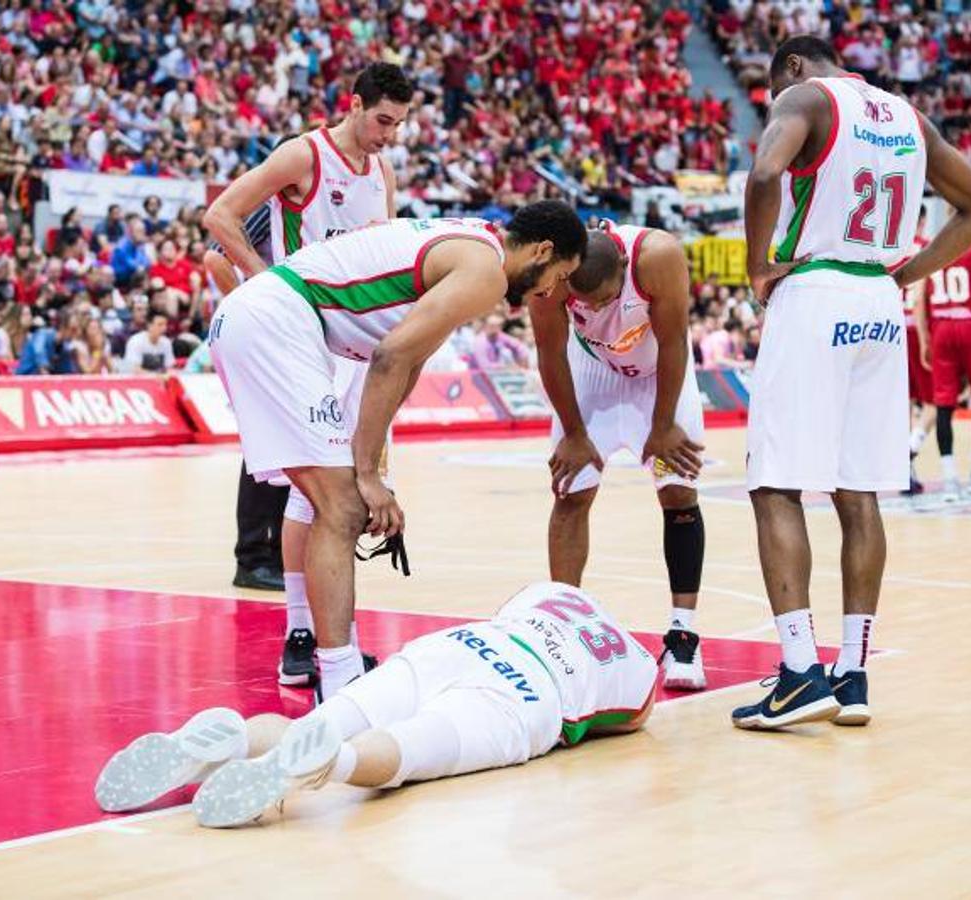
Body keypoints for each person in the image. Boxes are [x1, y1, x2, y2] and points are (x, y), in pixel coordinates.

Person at [207, 202, 586, 699]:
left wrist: (372, 466)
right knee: (341, 505)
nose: (550, 291)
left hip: (259, 320)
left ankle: (318, 656)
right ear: (543, 250)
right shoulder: (486, 272)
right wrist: (367, 473)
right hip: (277, 323)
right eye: (560, 276)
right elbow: (390, 354)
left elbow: (409, 363)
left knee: (325, 503)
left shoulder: (471, 241)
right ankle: (340, 683)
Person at [737, 35, 971, 729]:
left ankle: (799, 672)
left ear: (792, 66)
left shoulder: (805, 96)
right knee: (859, 493)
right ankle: (852, 676)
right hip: (879, 305)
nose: (775, 107)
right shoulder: (910, 118)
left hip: (816, 290)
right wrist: (909, 272)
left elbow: (765, 175)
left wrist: (756, 264)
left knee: (774, 482)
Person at [94, 581, 655, 827]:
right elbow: (630, 718)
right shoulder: (635, 662)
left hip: (455, 647)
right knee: (405, 753)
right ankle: (330, 764)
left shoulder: (546, 593)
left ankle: (236, 738)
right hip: (524, 694)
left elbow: (506, 606)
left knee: (320, 721)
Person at [203, 62, 412, 673]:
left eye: (398, 124)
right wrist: (269, 285)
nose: (387, 134)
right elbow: (220, 217)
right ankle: (303, 637)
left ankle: (321, 639)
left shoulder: (383, 168)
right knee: (316, 496)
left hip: (358, 344)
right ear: (353, 105)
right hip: (306, 340)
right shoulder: (305, 156)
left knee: (330, 498)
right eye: (381, 120)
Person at [529, 223, 708, 690]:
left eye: (605, 300)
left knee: (678, 489)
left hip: (657, 371)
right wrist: (572, 431)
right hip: (592, 371)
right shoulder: (549, 273)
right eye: (585, 302)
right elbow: (550, 352)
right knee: (570, 490)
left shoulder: (658, 255)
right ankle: (563, 627)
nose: (594, 308)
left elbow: (674, 342)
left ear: (626, 270)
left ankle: (683, 633)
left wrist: (664, 424)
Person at [915, 235, 971, 502]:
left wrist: (923, 340)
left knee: (944, 406)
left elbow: (919, 299)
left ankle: (950, 480)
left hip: (941, 328)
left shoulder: (934, 244)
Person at [901, 207, 935, 495]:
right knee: (935, 401)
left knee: (905, 404)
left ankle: (905, 470)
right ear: (922, 221)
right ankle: (912, 448)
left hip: (892, 330)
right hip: (917, 328)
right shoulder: (927, 248)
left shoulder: (892, 249)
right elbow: (924, 298)